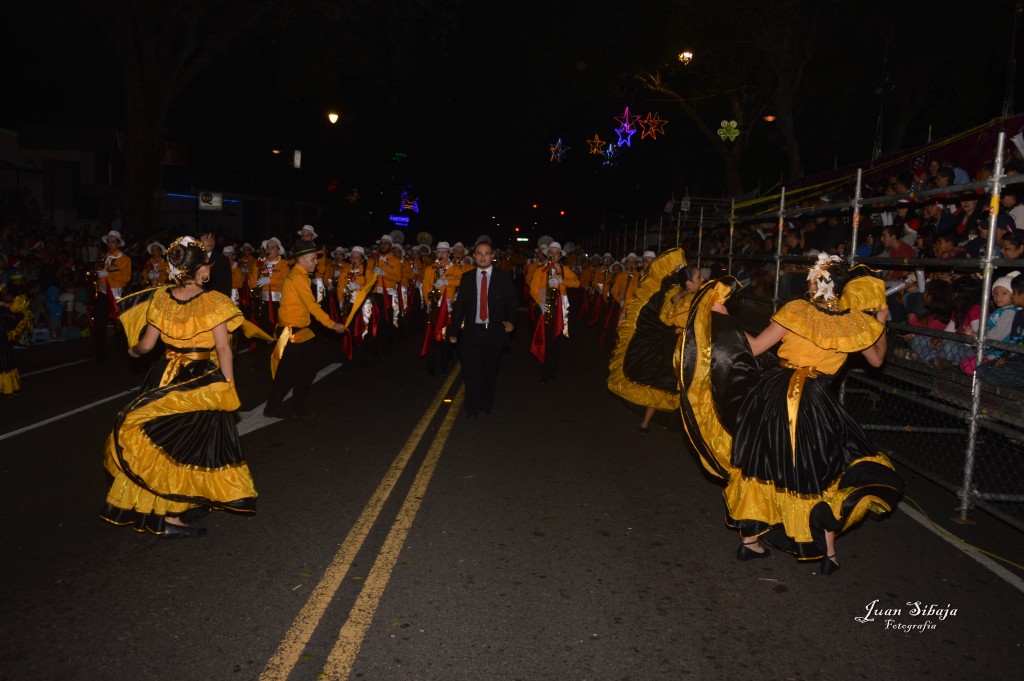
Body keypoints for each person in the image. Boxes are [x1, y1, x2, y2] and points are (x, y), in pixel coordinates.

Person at [680, 254, 903, 573]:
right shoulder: (855, 323)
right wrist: (880, 321)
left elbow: (754, 348)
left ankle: (749, 541)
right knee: (815, 469)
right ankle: (828, 554)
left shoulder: (796, 310)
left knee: (763, 459)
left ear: (817, 284)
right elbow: (878, 360)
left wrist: (725, 318)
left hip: (775, 395)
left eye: (811, 278)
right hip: (815, 402)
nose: (807, 282)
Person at [99, 237, 257, 538]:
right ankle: (170, 515)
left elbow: (147, 345)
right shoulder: (214, 301)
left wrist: (133, 352)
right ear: (202, 270)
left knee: (161, 444)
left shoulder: (162, 298)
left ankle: (169, 507)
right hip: (198, 379)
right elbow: (224, 349)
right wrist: (227, 385)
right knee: (186, 446)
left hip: (165, 375)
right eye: (207, 264)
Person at [606, 250, 698, 433]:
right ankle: (650, 422)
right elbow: (667, 316)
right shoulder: (675, 294)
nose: (702, 280)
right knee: (663, 384)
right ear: (688, 283)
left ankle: (664, 423)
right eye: (698, 278)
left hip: (685, 345)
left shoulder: (690, 294)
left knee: (680, 387)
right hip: (671, 346)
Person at [263, 241, 348, 419]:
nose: (316, 262)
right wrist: (332, 324)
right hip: (292, 331)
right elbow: (312, 305)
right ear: (301, 259)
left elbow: (289, 305)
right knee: (293, 372)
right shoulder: (298, 278)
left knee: (305, 369)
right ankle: (276, 408)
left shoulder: (300, 275)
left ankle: (294, 406)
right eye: (312, 259)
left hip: (299, 328)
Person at [448, 241, 517, 417]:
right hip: (472, 331)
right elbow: (460, 306)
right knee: (470, 371)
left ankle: (486, 403)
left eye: (486, 253)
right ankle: (472, 406)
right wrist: (453, 331)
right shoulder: (467, 278)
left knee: (490, 371)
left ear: (492, 256)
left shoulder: (503, 277)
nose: (483, 257)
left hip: (494, 331)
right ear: (474, 256)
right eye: (479, 253)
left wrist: (511, 321)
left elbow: (512, 302)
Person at [529, 242, 580, 381]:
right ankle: (543, 371)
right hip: (544, 306)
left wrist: (561, 280)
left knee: (556, 339)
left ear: (560, 256)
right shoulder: (540, 270)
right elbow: (533, 290)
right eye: (550, 252)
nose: (553, 255)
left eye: (556, 253)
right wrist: (540, 303)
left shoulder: (564, 269)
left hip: (559, 308)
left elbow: (577, 283)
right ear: (547, 254)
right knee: (543, 338)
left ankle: (552, 370)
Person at [93, 230, 131, 360]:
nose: (110, 245)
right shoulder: (104, 256)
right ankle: (100, 354)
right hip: (102, 293)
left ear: (119, 243)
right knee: (99, 324)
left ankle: (124, 353)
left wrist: (108, 275)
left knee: (119, 326)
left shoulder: (125, 259)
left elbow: (126, 278)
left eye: (113, 242)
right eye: (108, 242)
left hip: (115, 295)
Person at [198, 228, 232, 297]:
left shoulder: (223, 260)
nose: (210, 241)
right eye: (206, 238)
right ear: (198, 241)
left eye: (212, 238)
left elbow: (227, 286)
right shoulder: (193, 259)